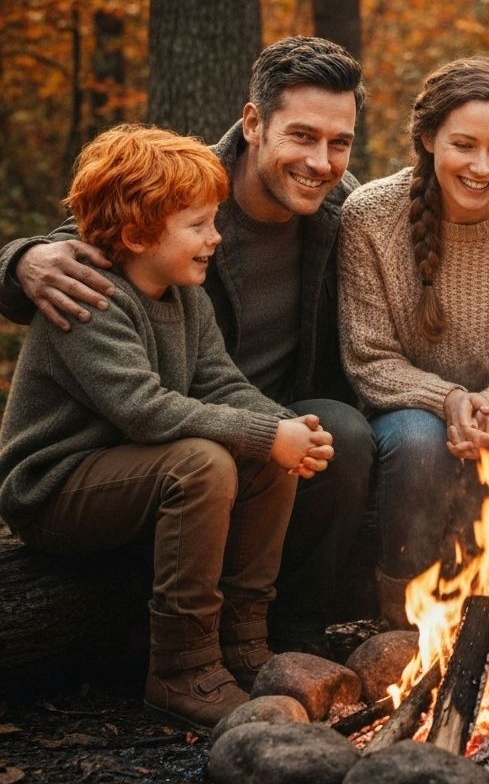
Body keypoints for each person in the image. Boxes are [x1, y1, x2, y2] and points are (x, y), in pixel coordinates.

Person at [0, 37, 375, 651]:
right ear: (253, 123)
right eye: (302, 136)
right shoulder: (182, 190)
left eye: (340, 142)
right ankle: (179, 648)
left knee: (340, 434)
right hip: (145, 439)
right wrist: (20, 260)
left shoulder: (343, 203)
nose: (322, 160)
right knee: (208, 463)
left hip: (249, 417)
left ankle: (286, 634)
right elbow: (91, 239)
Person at [0, 125, 334, 727]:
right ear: (136, 233)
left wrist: (284, 428)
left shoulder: (185, 297)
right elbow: (144, 408)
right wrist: (261, 433)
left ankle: (244, 639)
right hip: (57, 487)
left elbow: (219, 382)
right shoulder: (92, 299)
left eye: (214, 220)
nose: (216, 237)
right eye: (199, 225)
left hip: (133, 468)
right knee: (204, 461)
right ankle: (182, 668)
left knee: (265, 453)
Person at [339, 56, 489, 627]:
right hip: (410, 406)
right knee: (418, 445)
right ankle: (405, 618)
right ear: (427, 138)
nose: (482, 165)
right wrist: (448, 399)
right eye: (464, 145)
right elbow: (368, 355)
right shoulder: (370, 215)